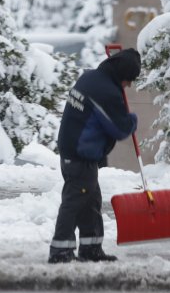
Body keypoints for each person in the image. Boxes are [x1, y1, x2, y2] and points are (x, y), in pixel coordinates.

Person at [48, 48, 141, 264]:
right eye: (129, 80)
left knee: (90, 199)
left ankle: (91, 248)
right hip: (80, 155)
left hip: (74, 152)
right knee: (74, 201)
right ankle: (60, 250)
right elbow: (119, 129)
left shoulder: (91, 77)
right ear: (122, 75)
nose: (128, 85)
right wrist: (133, 119)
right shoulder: (106, 91)